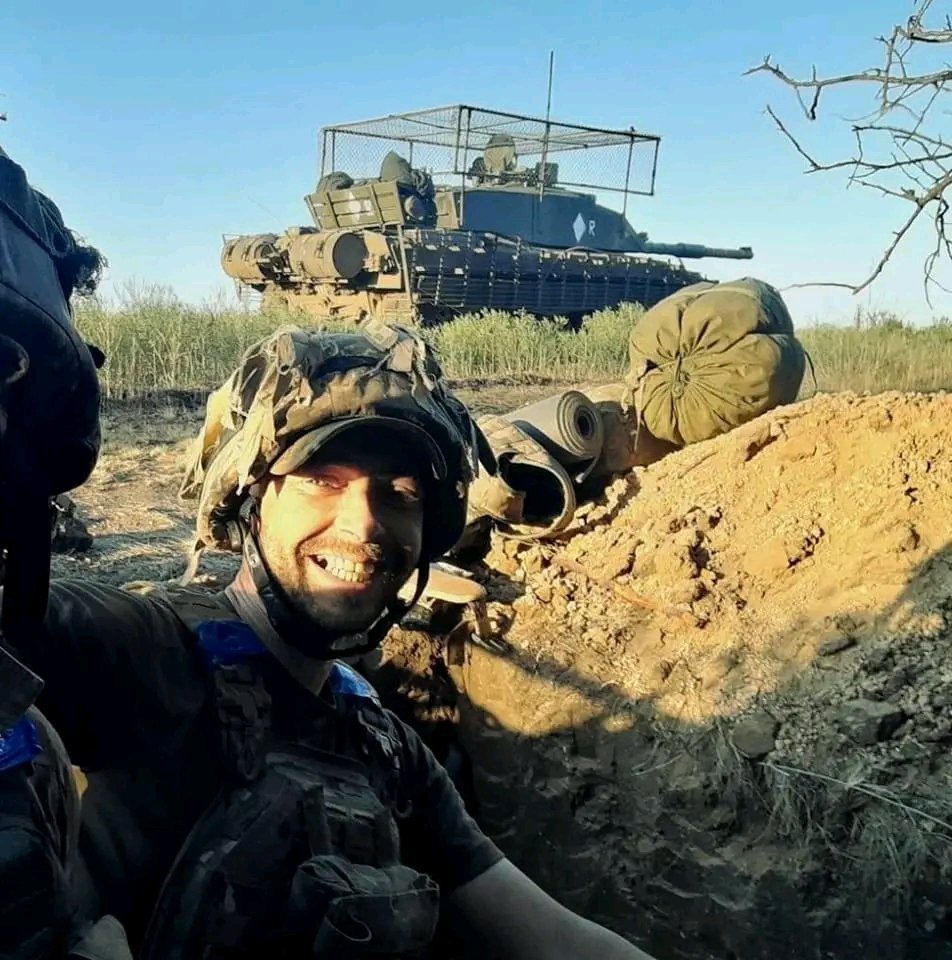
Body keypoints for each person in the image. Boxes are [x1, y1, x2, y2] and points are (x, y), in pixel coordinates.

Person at [3, 321, 656, 959]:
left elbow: (546, 932)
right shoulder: (142, 649)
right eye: (323, 480)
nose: (364, 523)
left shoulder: (383, 748)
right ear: (250, 500)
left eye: (399, 493)